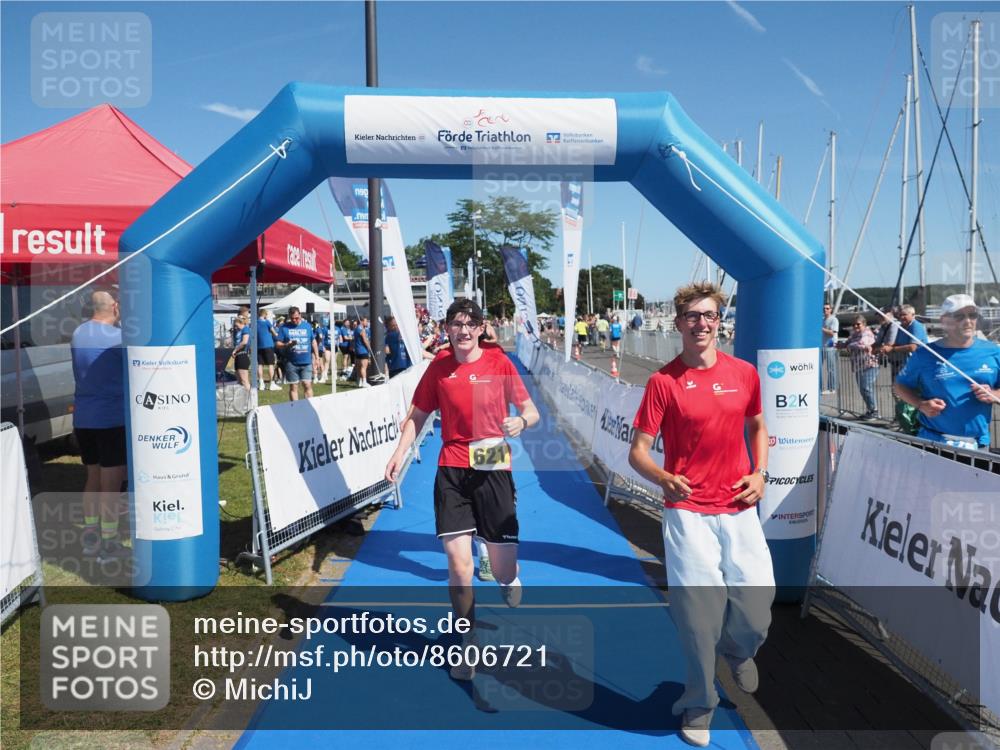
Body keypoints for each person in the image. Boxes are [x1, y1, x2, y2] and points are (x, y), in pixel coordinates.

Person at [627, 281, 772, 748]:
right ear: (679, 323)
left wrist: (762, 473)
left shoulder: (745, 373)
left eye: (709, 315)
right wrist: (663, 476)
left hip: (738, 505)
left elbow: (757, 425)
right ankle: (699, 701)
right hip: (686, 510)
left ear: (720, 321)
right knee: (697, 616)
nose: (702, 323)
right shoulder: (663, 381)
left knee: (756, 610)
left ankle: (738, 649)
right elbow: (638, 453)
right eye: (693, 316)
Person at [384, 299, 539, 681]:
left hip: (492, 464)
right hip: (452, 466)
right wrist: (399, 453)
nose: (464, 330)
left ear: (481, 328)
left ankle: (510, 575)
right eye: (457, 324)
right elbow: (417, 415)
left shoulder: (499, 363)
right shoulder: (438, 368)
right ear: (447, 328)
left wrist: (521, 422)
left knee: (501, 570)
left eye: (471, 324)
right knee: (459, 565)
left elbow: (531, 411)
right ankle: (467, 641)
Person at [894, 294, 1000, 450]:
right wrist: (921, 404)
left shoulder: (993, 351)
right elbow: (899, 385)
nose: (968, 321)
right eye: (959, 316)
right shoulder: (924, 354)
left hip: (978, 444)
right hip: (933, 442)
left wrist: (995, 394)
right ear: (944, 321)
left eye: (972, 315)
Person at [71, 290, 128, 561]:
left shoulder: (78, 333)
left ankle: (90, 540)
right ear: (115, 306)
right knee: (111, 485)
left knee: (92, 479)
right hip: (111, 419)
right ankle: (109, 543)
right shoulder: (119, 339)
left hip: (84, 418)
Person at [840, 315, 880, 420]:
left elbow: (861, 343)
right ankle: (870, 410)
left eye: (858, 324)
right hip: (858, 366)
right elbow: (847, 343)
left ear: (864, 324)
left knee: (866, 387)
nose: (855, 326)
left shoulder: (867, 333)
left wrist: (849, 346)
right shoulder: (854, 334)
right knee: (862, 389)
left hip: (869, 364)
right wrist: (842, 345)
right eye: (854, 324)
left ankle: (874, 411)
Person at [275, 306, 318, 401]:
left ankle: (309, 406)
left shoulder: (307, 326)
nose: (294, 320)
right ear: (289, 317)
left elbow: (313, 342)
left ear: (300, 315)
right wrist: (286, 344)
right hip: (291, 362)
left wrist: (317, 358)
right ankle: (295, 408)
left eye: (297, 318)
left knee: (307, 384)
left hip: (306, 362)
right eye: (292, 318)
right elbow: (277, 344)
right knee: (294, 387)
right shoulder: (284, 327)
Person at [256, 308, 281, 391]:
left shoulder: (255, 323)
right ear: (265, 314)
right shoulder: (267, 322)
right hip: (268, 345)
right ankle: (272, 383)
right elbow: (274, 333)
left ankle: (261, 383)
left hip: (259, 346)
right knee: (271, 364)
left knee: (260, 365)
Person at [821, 303, 839, 394]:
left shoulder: (834, 319)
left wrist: (821, 329)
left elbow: (833, 333)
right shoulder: (822, 320)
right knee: (819, 367)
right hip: (822, 346)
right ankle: (821, 387)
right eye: (824, 308)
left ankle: (832, 388)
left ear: (830, 310)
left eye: (827, 308)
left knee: (830, 368)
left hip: (830, 346)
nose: (825, 310)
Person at [232, 315, 251, 391]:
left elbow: (244, 342)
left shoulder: (245, 329)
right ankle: (243, 399)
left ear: (241, 323)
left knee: (244, 381)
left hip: (243, 355)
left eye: (236, 325)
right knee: (239, 381)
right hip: (238, 356)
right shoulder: (238, 331)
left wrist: (235, 350)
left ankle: (250, 400)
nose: (236, 327)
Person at [353, 316, 372, 387]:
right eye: (366, 321)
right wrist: (369, 348)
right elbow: (365, 339)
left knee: (358, 366)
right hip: (363, 350)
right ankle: (364, 381)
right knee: (363, 367)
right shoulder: (360, 329)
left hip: (358, 350)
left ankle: (359, 381)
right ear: (361, 321)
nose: (367, 322)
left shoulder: (356, 329)